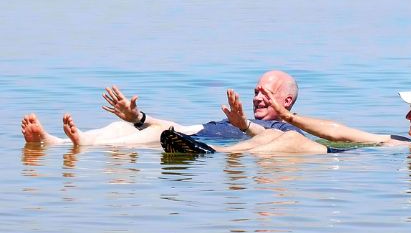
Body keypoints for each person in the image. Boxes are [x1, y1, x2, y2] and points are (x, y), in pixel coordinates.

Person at [161, 82, 411, 164]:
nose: (408, 114)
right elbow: (341, 131)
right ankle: (208, 153)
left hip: (341, 163)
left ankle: (207, 156)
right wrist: (290, 117)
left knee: (284, 144)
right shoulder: (396, 139)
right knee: (279, 141)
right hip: (338, 156)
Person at [21, 70, 302, 146]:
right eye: (255, 92)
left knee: (155, 135)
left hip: (199, 145)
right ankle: (57, 142)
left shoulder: (287, 130)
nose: (256, 99)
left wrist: (244, 126)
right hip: (196, 133)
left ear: (286, 102)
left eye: (265, 94)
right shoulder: (236, 119)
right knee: (124, 125)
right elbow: (185, 127)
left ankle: (83, 145)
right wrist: (140, 117)